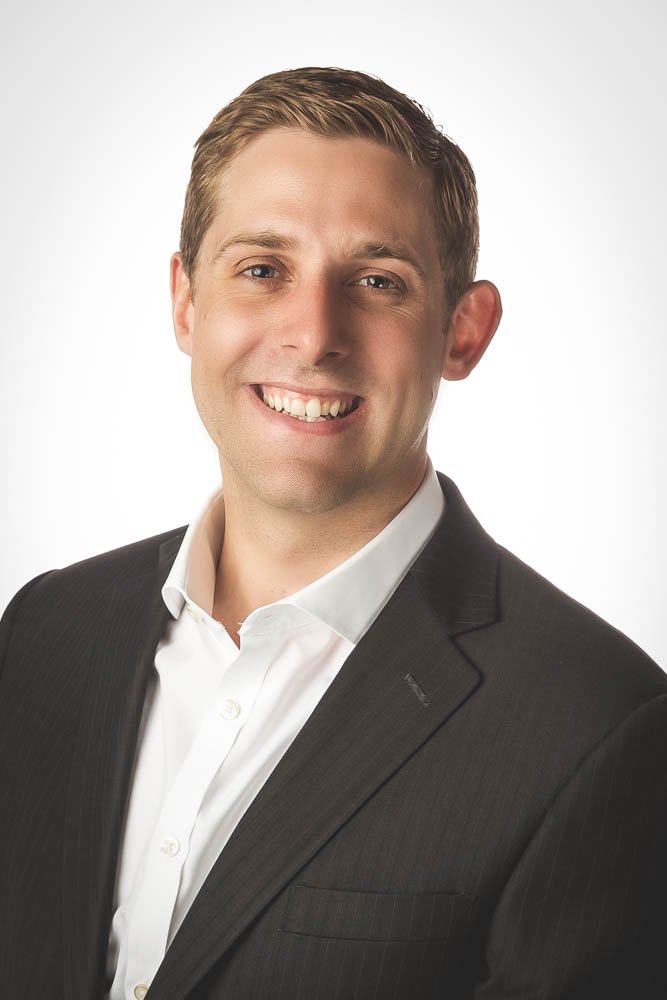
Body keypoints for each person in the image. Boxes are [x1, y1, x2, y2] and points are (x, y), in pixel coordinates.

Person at [0, 67, 665, 1000]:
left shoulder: (600, 728)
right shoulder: (45, 631)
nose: (313, 335)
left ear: (462, 331)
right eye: (261, 269)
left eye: (377, 281)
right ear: (186, 302)